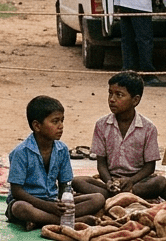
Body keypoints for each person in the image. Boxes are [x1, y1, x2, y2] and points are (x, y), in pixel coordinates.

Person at [7, 96, 105, 227]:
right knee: (20, 208)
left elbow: (65, 184)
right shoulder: (21, 152)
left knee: (97, 199)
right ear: (37, 126)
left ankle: (42, 221)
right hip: (30, 202)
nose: (61, 126)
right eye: (55, 121)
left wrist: (64, 201)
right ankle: (70, 221)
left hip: (53, 201)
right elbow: (17, 191)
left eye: (62, 121)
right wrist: (49, 206)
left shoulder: (62, 149)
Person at [73, 71, 166, 199]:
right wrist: (109, 182)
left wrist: (131, 181)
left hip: (137, 180)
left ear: (135, 100)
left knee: (159, 182)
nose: (112, 99)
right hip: (110, 179)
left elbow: (150, 167)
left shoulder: (148, 128)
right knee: (78, 182)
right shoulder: (102, 125)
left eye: (119, 95)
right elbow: (101, 163)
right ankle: (119, 193)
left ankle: (118, 194)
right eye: (110, 93)